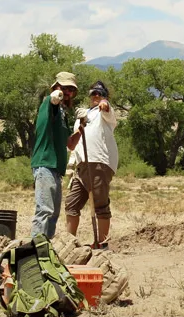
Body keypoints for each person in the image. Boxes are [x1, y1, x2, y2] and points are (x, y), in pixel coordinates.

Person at [65, 81, 118, 249]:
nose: (96, 96)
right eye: (93, 93)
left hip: (99, 161)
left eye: (99, 93)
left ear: (105, 96)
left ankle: (102, 244)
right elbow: (74, 142)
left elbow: (105, 106)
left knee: (100, 204)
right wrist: (81, 123)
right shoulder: (84, 114)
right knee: (71, 204)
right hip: (81, 165)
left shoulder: (106, 114)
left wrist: (104, 104)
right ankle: (69, 243)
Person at [30, 71, 77, 238]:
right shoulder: (50, 104)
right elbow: (52, 100)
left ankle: (46, 251)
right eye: (64, 88)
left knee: (53, 214)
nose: (67, 92)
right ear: (56, 87)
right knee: (44, 210)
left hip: (56, 168)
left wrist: (81, 128)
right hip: (45, 164)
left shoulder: (63, 115)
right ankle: (35, 252)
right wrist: (54, 97)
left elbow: (70, 144)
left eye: (71, 89)